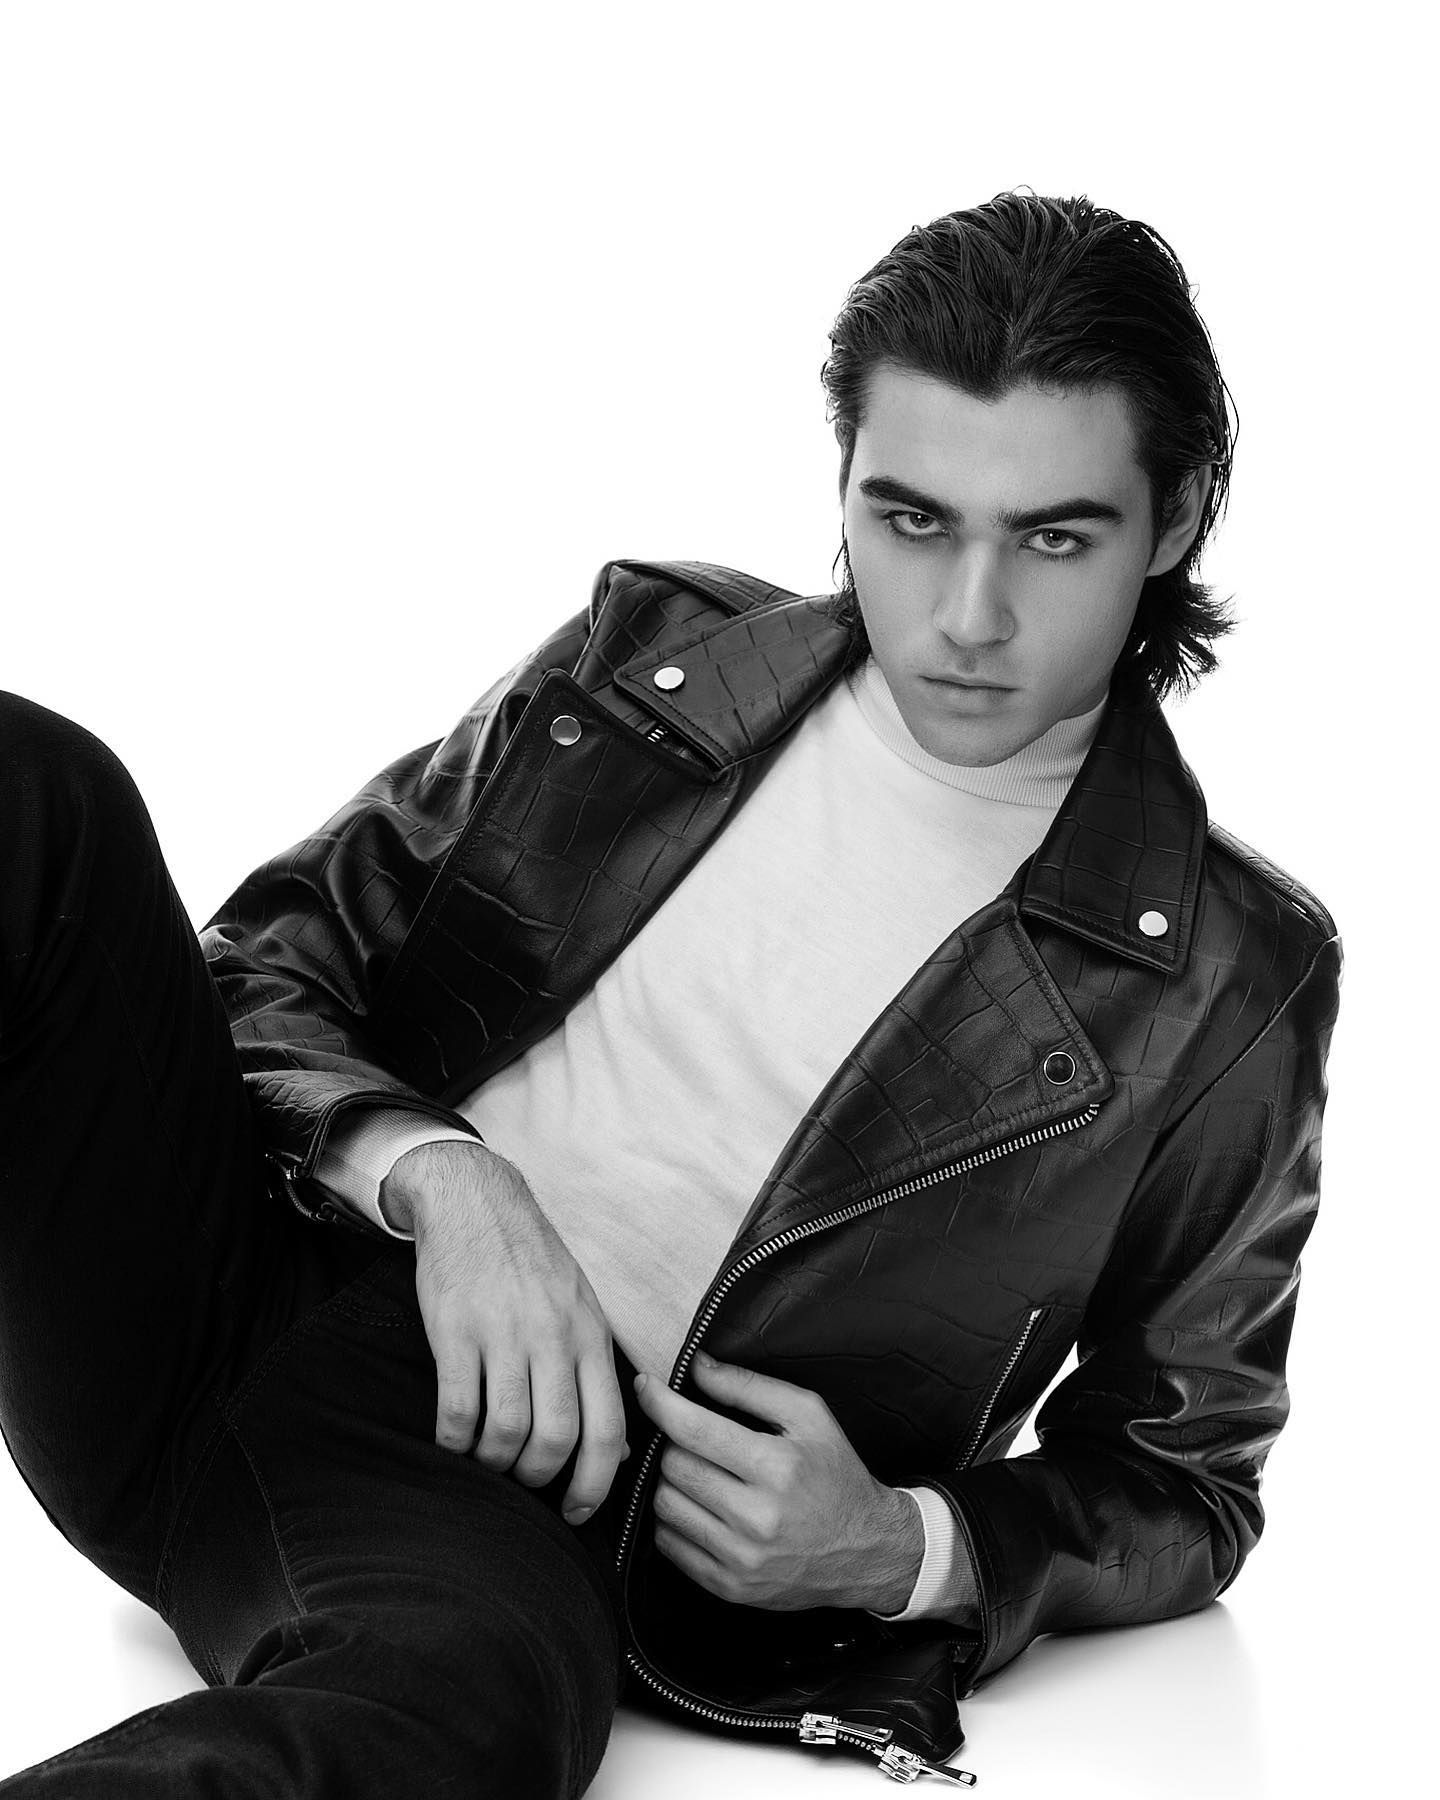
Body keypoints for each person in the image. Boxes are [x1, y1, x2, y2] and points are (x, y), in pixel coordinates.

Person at [0, 192, 1340, 1796]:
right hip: (214, 1267)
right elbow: (270, 962)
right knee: (38, 796)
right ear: (844, 481)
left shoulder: (1231, 974)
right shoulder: (655, 657)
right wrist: (443, 1178)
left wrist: (901, 1544)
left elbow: (1187, 1477)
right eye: (911, 520)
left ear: (1175, 518)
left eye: (1054, 538)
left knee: (456, 1713)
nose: (968, 617)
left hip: (515, 1501)